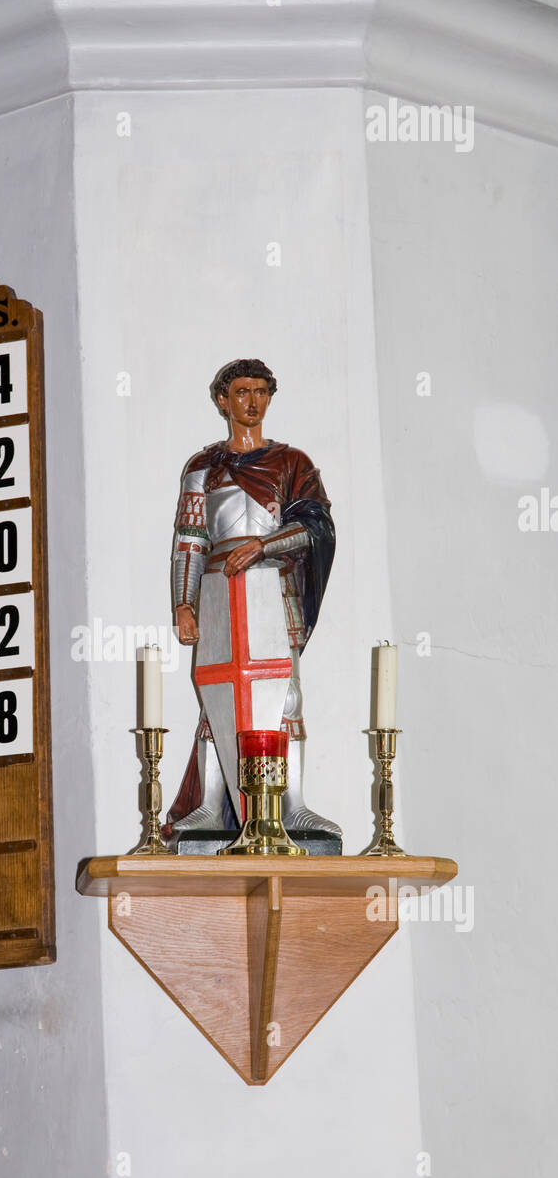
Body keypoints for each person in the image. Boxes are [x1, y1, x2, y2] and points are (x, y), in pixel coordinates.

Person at [167, 359, 339, 842]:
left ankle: (294, 804)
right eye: (242, 391)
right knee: (216, 695)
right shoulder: (203, 468)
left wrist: (264, 545)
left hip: (272, 586)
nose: (252, 401)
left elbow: (314, 527)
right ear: (223, 399)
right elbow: (190, 540)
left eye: (261, 391)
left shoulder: (291, 463)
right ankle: (209, 804)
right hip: (219, 591)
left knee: (285, 693)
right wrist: (184, 603)